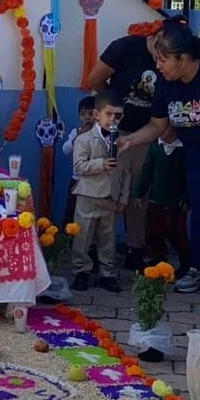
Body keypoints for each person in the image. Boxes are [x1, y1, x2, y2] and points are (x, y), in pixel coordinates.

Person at [119, 20, 200, 301]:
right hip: (195, 153)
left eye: (163, 59)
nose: (158, 66)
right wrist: (131, 140)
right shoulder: (167, 83)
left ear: (183, 58)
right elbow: (157, 124)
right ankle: (198, 269)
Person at [88, 22, 162, 271]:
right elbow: (95, 79)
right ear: (154, 37)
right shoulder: (125, 47)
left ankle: (135, 248)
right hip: (114, 131)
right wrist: (113, 108)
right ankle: (97, 250)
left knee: (139, 193)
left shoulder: (172, 58)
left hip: (146, 132)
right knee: (107, 189)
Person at [71, 92, 130, 293]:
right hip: (88, 195)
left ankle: (107, 273)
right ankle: (82, 271)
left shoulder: (123, 141)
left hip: (110, 196)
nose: (113, 119)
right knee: (83, 235)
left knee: (107, 237)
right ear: (97, 114)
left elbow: (126, 172)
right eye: (109, 114)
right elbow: (79, 166)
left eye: (118, 115)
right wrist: (100, 164)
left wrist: (124, 196)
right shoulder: (84, 139)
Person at [130, 128, 191, 275]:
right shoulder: (155, 146)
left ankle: (187, 263)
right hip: (156, 199)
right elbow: (147, 169)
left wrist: (187, 198)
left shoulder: (185, 148)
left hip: (176, 201)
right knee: (153, 231)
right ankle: (157, 260)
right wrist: (138, 192)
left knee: (177, 233)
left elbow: (191, 175)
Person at [62, 96, 95, 226]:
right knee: (71, 208)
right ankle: (67, 235)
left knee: (89, 213)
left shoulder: (100, 134)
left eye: (90, 114)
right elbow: (66, 150)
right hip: (76, 179)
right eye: (83, 114)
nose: (87, 117)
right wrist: (77, 137)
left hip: (93, 181)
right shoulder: (75, 132)